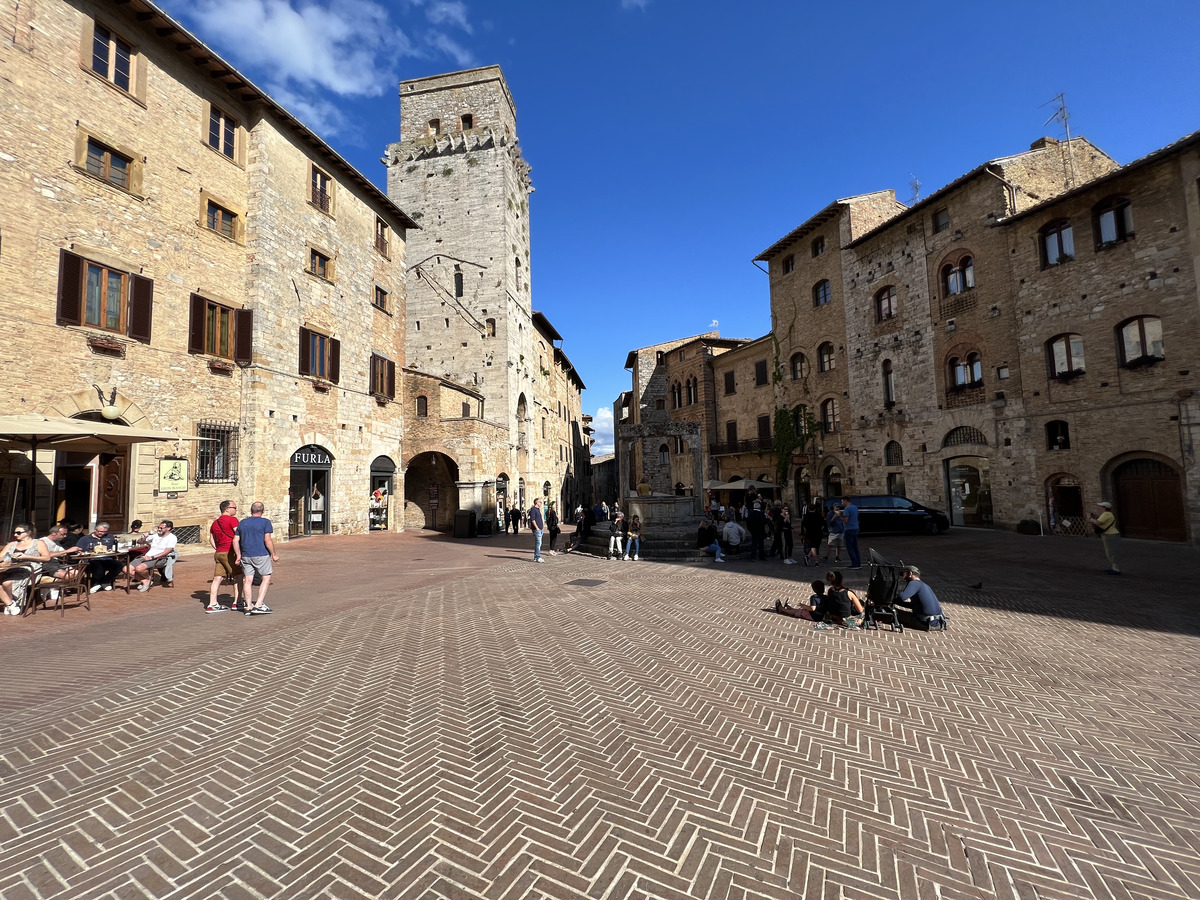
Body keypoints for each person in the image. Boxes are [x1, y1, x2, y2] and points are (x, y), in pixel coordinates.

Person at [235, 502, 279, 614]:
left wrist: (238, 555)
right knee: (266, 578)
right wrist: (273, 554)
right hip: (261, 554)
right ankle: (258, 604)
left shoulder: (242, 523)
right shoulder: (265, 522)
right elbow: (267, 540)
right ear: (262, 511)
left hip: (246, 555)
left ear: (251, 511)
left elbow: (235, 540)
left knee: (248, 580)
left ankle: (248, 606)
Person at [1, 523, 50, 615]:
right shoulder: (12, 544)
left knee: (7, 583)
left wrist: (26, 556)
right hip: (11, 568)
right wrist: (6, 558)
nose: (15, 535)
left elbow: (46, 558)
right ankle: (10, 605)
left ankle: (14, 604)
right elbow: (1, 556)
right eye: (14, 533)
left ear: (28, 532)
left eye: (18, 533)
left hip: (29, 569)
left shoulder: (38, 543)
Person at [206, 500, 245, 613]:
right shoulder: (232, 520)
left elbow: (211, 539)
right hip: (230, 552)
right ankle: (237, 602)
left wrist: (217, 548)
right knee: (238, 576)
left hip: (219, 552)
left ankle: (212, 603)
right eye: (234, 507)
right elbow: (238, 535)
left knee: (217, 578)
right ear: (227, 509)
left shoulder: (215, 523)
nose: (236, 509)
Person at [125, 520, 177, 592]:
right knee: (126, 569)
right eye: (158, 527)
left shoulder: (172, 538)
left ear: (168, 528)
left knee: (139, 568)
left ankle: (146, 581)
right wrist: (144, 538)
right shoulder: (156, 535)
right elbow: (139, 542)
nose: (159, 529)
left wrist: (152, 557)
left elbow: (166, 552)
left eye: (161, 528)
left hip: (160, 558)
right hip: (146, 556)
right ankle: (146, 581)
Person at [77, 521, 120, 593]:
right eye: (100, 531)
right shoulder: (85, 539)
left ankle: (100, 583)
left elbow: (114, 548)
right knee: (98, 566)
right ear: (95, 530)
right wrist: (81, 552)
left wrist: (111, 550)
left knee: (118, 566)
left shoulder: (110, 537)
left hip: (107, 559)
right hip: (91, 559)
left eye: (104, 532)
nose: (102, 533)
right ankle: (102, 583)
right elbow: (78, 550)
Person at [1088, 501, 1121, 575]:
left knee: (1111, 551)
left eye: (1101, 506)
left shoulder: (1106, 514)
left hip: (1110, 534)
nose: (1099, 508)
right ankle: (1114, 567)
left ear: (1105, 508)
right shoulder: (1108, 514)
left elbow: (1098, 522)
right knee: (1110, 551)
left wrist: (1091, 519)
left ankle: (1116, 569)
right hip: (1111, 534)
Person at [842, 499, 862, 568]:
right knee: (855, 547)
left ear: (845, 501)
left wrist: (839, 516)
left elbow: (846, 520)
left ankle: (854, 563)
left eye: (842, 502)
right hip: (855, 528)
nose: (842, 503)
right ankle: (858, 562)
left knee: (849, 547)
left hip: (849, 529)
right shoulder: (855, 507)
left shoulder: (847, 509)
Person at [529, 497, 546, 563]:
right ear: (537, 503)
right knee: (538, 543)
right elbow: (533, 520)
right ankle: (538, 556)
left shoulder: (538, 509)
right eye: (540, 502)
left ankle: (536, 556)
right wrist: (537, 528)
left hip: (540, 529)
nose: (541, 503)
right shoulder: (533, 509)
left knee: (539, 543)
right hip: (537, 529)